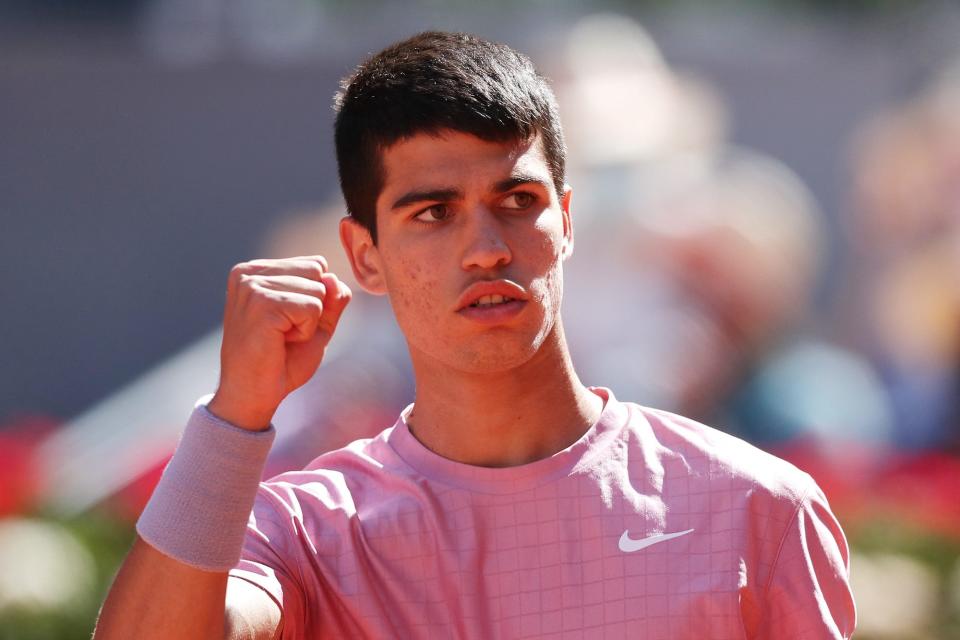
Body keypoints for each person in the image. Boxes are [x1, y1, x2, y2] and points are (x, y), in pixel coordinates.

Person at [93, 31, 856, 639]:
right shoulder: (303, 528)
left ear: (566, 217)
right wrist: (233, 416)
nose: (485, 245)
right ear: (365, 256)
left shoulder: (758, 506)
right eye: (433, 213)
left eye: (516, 199)